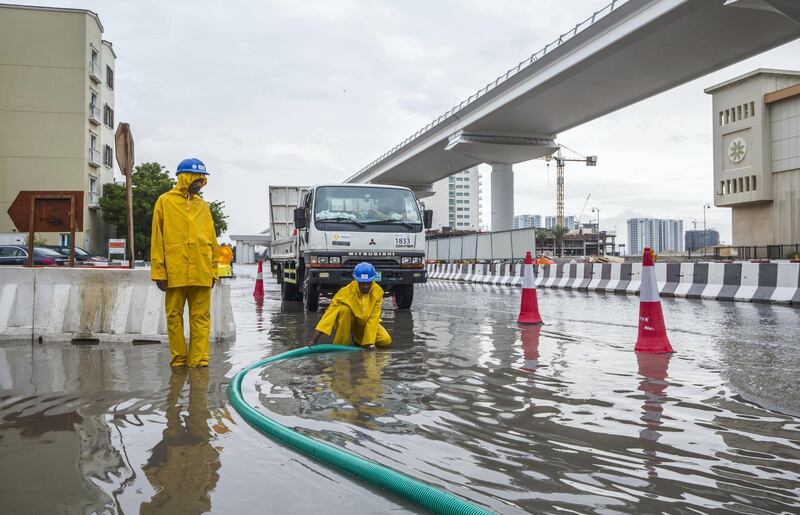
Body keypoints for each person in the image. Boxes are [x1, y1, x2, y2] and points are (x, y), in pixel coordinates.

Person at [151, 157, 219, 367]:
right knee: (174, 316)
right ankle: (179, 359)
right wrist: (159, 272)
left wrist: (213, 270)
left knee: (201, 318)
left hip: (201, 271)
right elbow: (157, 239)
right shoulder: (165, 202)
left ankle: (199, 361)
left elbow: (212, 241)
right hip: (175, 272)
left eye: (202, 179)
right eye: (196, 178)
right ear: (184, 178)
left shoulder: (203, 207)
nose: (199, 183)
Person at [307, 262, 391, 348]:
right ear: (357, 281)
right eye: (362, 283)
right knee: (344, 310)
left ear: (372, 281)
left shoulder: (378, 292)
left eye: (368, 283)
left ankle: (358, 340)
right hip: (348, 323)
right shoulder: (345, 292)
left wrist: (370, 343)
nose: (365, 287)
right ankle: (341, 345)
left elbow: (374, 318)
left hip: (364, 324)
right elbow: (328, 316)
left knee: (385, 340)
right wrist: (313, 340)